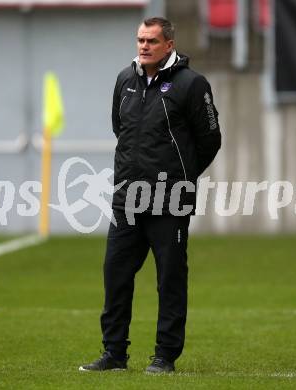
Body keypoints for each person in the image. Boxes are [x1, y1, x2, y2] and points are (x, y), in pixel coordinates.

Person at [79, 16, 221, 374]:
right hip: (127, 199)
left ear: (169, 44)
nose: (143, 46)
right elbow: (121, 129)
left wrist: (180, 178)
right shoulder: (125, 79)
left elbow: (210, 139)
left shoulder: (192, 84)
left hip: (170, 201)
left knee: (169, 279)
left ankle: (164, 357)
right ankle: (114, 354)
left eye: (151, 41)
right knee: (115, 275)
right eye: (140, 40)